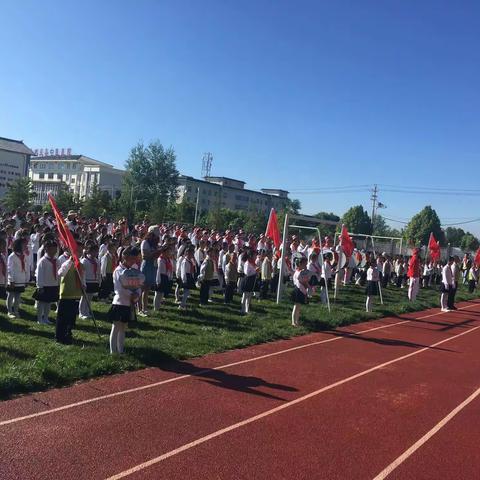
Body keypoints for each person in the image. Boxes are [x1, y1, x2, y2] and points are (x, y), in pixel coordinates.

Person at [108, 246, 143, 354]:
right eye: (132, 258)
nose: (134, 261)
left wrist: (137, 294)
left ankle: (121, 350)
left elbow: (138, 284)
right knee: (116, 327)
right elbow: (119, 289)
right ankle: (113, 351)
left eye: (135, 258)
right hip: (119, 302)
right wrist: (131, 295)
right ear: (125, 257)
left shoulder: (134, 270)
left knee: (123, 327)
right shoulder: (118, 271)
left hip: (129, 303)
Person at [56, 242, 85, 344]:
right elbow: (60, 273)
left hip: (76, 293)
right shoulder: (66, 262)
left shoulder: (81, 265)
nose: (80, 253)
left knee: (71, 317)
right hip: (66, 293)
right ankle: (60, 336)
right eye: (78, 251)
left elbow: (82, 277)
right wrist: (69, 262)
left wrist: (84, 285)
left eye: (81, 251)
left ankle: (68, 333)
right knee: (63, 317)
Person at [34, 240, 59, 324]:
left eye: (55, 249)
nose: (54, 251)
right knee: (42, 303)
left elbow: (58, 272)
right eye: (52, 249)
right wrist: (40, 286)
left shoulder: (56, 260)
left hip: (53, 284)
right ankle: (39, 319)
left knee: (48, 303)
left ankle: (46, 318)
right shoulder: (43, 261)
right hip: (44, 285)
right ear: (46, 249)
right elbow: (39, 274)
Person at [6, 238, 29, 318]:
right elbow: (10, 269)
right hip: (13, 280)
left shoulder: (24, 255)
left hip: (21, 279)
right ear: (18, 245)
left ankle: (16, 310)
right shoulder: (12, 256)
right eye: (23, 245)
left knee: (18, 296)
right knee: (11, 295)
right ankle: (9, 311)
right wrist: (11, 280)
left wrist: (26, 279)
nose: (25, 246)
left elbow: (26, 268)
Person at [139, 228, 159, 316]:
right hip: (146, 265)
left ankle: (145, 308)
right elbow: (144, 256)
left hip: (152, 266)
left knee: (147, 289)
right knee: (142, 288)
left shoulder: (154, 244)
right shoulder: (145, 242)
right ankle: (140, 309)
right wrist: (155, 252)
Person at [79, 244, 100, 319]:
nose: (96, 253)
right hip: (86, 281)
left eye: (97, 251)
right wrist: (83, 283)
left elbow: (98, 271)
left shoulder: (96, 261)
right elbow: (82, 273)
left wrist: (98, 281)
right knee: (84, 298)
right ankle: (81, 313)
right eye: (95, 251)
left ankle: (87, 311)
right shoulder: (84, 261)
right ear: (90, 251)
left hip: (94, 281)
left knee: (90, 298)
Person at [291, 257, 309, 327]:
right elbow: (303, 282)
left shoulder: (300, 271)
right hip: (298, 290)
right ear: (300, 264)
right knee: (296, 306)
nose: (306, 265)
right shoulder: (299, 272)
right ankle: (293, 322)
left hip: (301, 290)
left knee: (298, 307)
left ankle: (296, 321)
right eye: (304, 264)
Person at [241, 250, 257, 314]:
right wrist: (255, 272)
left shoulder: (252, 262)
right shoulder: (247, 263)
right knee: (245, 295)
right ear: (251, 255)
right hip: (247, 279)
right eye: (254, 255)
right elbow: (247, 273)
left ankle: (247, 310)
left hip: (251, 279)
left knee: (249, 295)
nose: (255, 256)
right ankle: (242, 309)